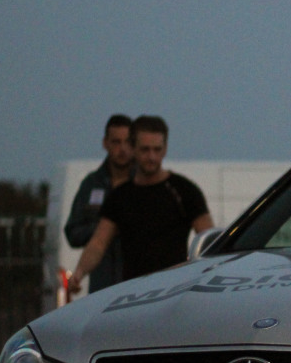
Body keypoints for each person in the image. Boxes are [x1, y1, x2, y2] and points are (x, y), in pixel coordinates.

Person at [67, 115, 213, 294]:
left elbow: (208, 240)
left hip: (174, 292)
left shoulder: (184, 191)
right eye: (145, 150)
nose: (151, 157)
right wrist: (79, 273)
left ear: (165, 149)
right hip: (133, 295)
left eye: (157, 149)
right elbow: (98, 243)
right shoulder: (120, 196)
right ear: (133, 149)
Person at [63, 114, 133, 293]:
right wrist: (103, 229)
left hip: (136, 287)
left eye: (128, 142)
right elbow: (72, 232)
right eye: (116, 142)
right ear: (105, 143)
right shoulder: (92, 184)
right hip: (102, 288)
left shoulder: (145, 184)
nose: (123, 149)